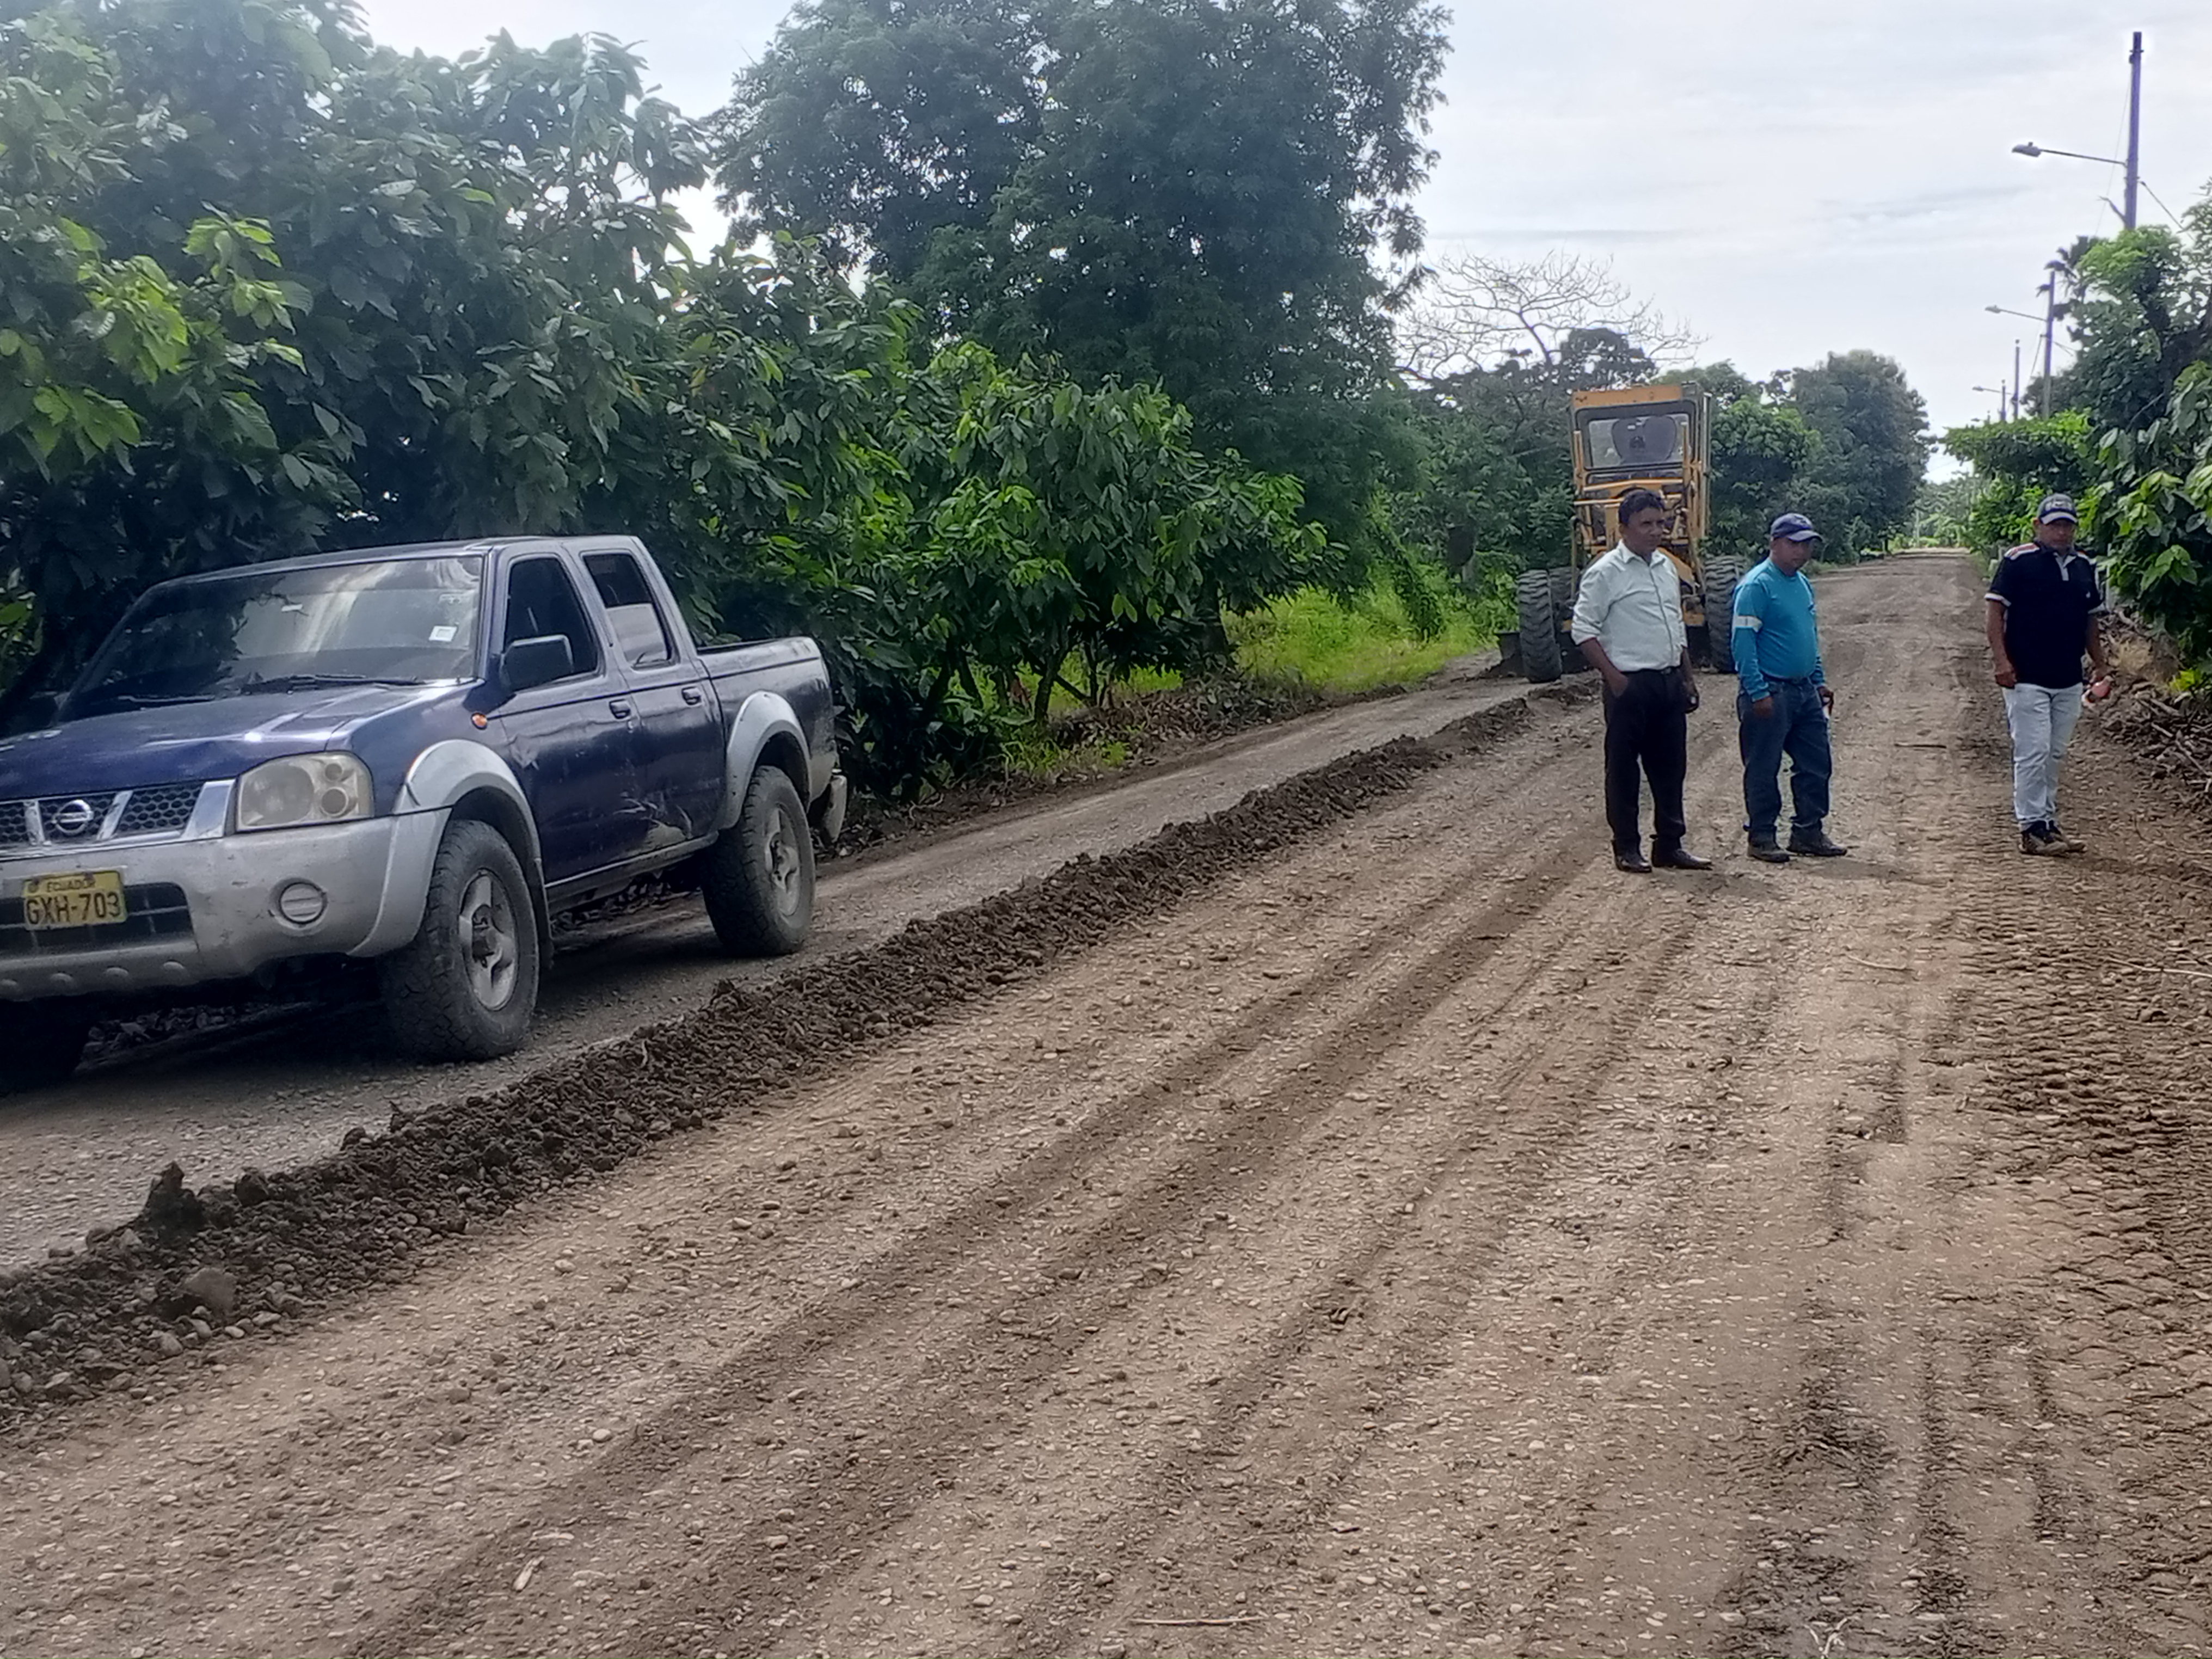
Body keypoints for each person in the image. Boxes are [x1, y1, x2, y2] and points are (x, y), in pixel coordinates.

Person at [1569, 488, 1712, 874]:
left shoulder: (1665, 567)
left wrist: (1687, 677)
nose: (1656, 531)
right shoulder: (1605, 572)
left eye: (1660, 523)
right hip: (1630, 685)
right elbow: (1583, 630)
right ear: (1623, 529)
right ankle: (1627, 848)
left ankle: (1669, 845)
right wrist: (1616, 680)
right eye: (1646, 524)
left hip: (1668, 681)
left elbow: (1675, 625)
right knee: (1624, 770)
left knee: (1671, 768)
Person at [1987, 493, 2112, 856]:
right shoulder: (2018, 561)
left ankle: (2048, 823)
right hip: (2026, 676)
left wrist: (2100, 663)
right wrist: (2001, 662)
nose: (2061, 532)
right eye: (2054, 524)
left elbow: (2090, 621)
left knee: (2054, 753)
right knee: (2033, 751)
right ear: (2038, 526)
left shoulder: (2084, 565)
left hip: (2068, 677)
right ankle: (2031, 828)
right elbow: (1994, 613)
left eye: (2067, 525)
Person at [1732, 513, 1847, 864]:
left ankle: (1808, 832)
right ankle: (1762, 836)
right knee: (1763, 766)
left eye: (1807, 544)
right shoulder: (1757, 586)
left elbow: (1808, 637)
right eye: (1794, 543)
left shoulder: (1802, 584)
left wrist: (1818, 680)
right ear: (1774, 543)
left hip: (1803, 689)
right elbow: (1742, 644)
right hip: (1771, 689)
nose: (1801, 551)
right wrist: (1757, 691)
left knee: (1816, 762)